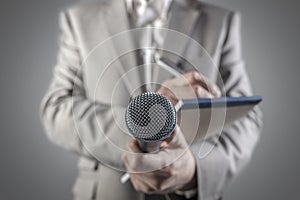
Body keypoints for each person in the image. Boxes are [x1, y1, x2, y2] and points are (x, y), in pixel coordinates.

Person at [40, 0, 262, 199]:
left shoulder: (221, 21)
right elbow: (56, 109)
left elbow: (246, 118)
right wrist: (151, 122)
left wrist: (194, 167)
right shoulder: (78, 19)